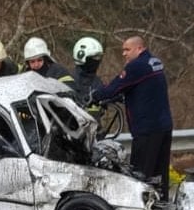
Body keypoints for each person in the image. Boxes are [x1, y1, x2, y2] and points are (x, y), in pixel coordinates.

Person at [92, 36, 173, 198]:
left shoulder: (136, 66)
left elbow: (114, 87)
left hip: (146, 129)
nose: (124, 54)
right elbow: (141, 89)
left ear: (140, 48)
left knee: (141, 175)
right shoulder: (154, 62)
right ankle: (163, 207)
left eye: (127, 49)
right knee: (159, 174)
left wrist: (94, 96)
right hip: (163, 126)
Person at [70, 36, 105, 106]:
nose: (98, 60)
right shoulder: (69, 81)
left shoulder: (97, 82)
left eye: (99, 57)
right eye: (95, 57)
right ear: (81, 56)